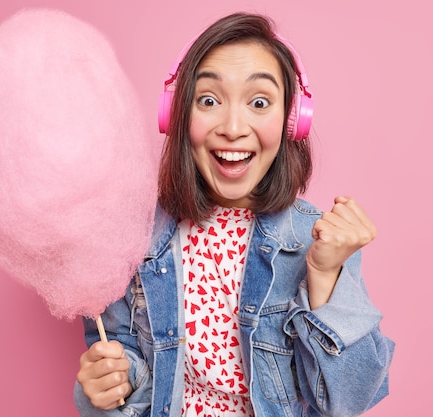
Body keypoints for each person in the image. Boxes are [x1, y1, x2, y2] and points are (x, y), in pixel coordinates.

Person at [74, 12, 394, 417]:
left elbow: (349, 401)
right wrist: (108, 383)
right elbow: (127, 366)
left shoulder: (317, 242)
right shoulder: (136, 238)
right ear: (176, 116)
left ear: (291, 122)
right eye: (209, 100)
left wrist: (326, 277)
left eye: (259, 102)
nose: (233, 126)